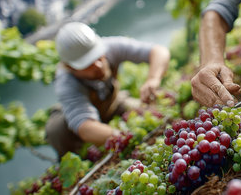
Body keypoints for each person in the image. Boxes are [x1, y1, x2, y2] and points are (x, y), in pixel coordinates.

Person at [45, 22, 170, 157]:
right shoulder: (66, 82)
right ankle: (78, 158)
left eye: (97, 56)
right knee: (57, 131)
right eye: (87, 64)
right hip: (78, 125)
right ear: (71, 68)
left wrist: (152, 79)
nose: (98, 65)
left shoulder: (109, 47)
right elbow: (86, 128)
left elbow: (159, 51)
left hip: (112, 104)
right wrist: (124, 138)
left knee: (146, 111)